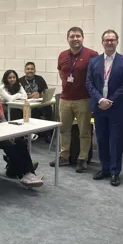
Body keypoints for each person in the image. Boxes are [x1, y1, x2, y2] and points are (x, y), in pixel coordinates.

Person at [0, 78, 44, 187]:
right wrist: (6, 135)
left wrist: (10, 133)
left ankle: (29, 173)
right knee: (11, 145)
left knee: (20, 142)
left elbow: (3, 120)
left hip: (0, 132)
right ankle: (23, 174)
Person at [86, 30, 123, 187]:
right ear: (102, 42)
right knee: (101, 139)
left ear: (117, 42)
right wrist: (100, 99)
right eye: (107, 40)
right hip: (99, 107)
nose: (109, 42)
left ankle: (114, 172)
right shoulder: (94, 62)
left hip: (116, 108)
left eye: (112, 40)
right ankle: (104, 168)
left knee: (116, 141)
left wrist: (110, 101)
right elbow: (89, 83)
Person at [50, 27, 98, 173]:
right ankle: (64, 156)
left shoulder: (92, 54)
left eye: (78, 36)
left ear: (83, 38)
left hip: (84, 99)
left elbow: (96, 76)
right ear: (68, 39)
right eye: (72, 36)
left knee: (84, 131)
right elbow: (61, 72)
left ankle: (83, 159)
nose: (75, 39)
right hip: (65, 99)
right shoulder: (62, 55)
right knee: (64, 130)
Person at [20, 62, 54, 141]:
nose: (30, 71)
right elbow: (18, 95)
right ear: (25, 70)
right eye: (28, 69)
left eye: (32, 69)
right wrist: (30, 96)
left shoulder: (40, 79)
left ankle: (48, 133)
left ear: (35, 70)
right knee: (33, 112)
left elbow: (46, 92)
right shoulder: (20, 81)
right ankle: (33, 134)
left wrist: (40, 95)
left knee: (48, 108)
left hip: (39, 103)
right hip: (26, 105)